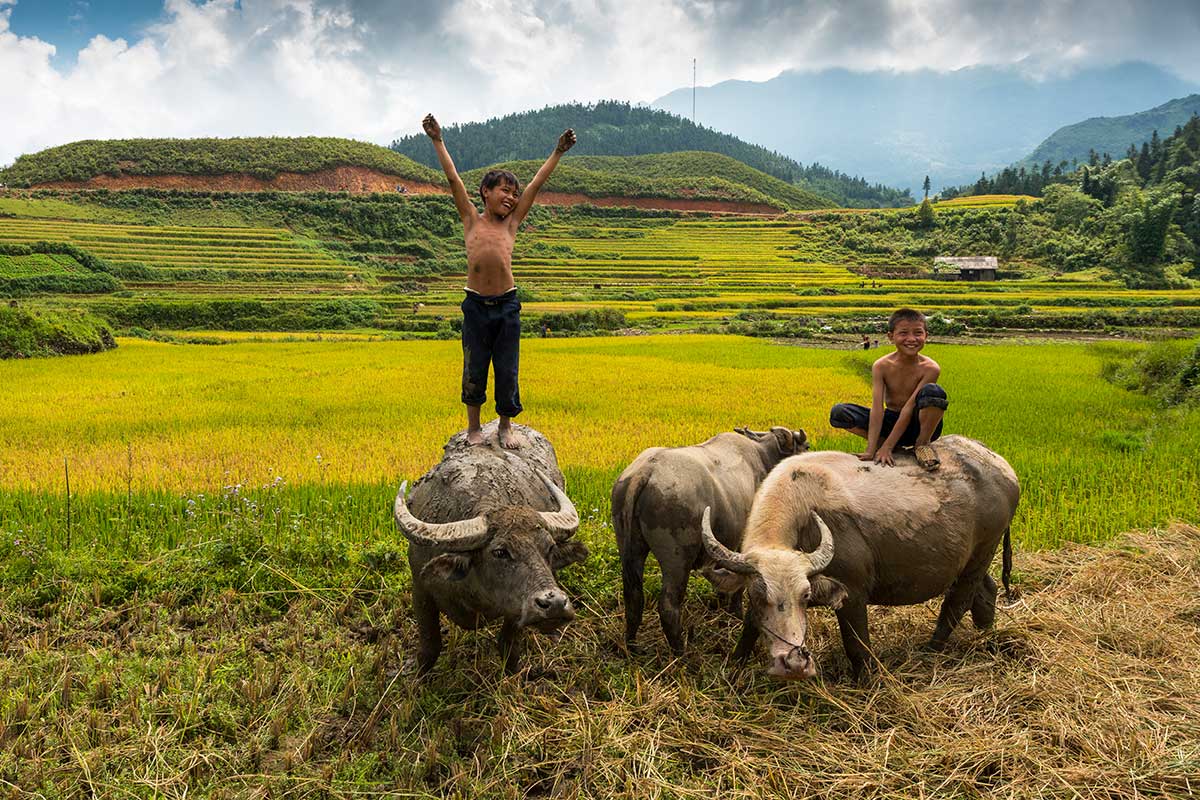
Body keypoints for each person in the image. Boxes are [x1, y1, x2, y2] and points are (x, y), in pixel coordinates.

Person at [423, 113, 576, 449]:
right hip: (475, 306)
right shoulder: (471, 220)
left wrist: (558, 152)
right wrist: (438, 140)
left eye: (513, 194)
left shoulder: (512, 224)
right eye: (504, 191)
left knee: (507, 369)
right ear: (485, 192)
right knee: (474, 366)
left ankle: (506, 426)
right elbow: (453, 182)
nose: (511, 197)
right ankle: (474, 428)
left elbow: (536, 185)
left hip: (507, 305)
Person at [828, 308, 947, 469]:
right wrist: (871, 449)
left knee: (934, 392)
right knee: (840, 412)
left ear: (926, 335)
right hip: (891, 420)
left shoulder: (931, 368)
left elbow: (908, 409)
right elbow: (877, 408)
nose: (911, 339)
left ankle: (922, 445)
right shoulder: (882, 366)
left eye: (918, 333)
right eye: (903, 333)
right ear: (891, 337)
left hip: (919, 423)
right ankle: (882, 443)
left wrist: (888, 447)